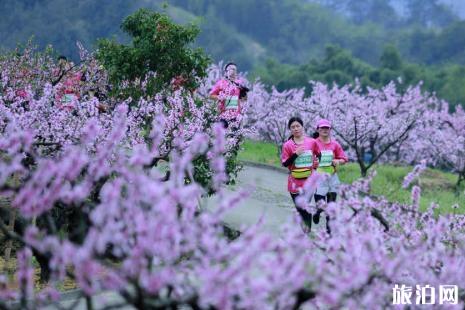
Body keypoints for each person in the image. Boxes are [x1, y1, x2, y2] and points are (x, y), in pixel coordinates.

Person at [281, 117, 321, 232]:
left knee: (305, 207)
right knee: (300, 209)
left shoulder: (312, 142)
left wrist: (317, 162)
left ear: (302, 127)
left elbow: (319, 154)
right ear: (290, 129)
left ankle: (306, 232)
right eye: (293, 127)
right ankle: (305, 229)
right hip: (294, 182)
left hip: (309, 182)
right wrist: (295, 154)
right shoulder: (287, 145)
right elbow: (285, 163)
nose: (296, 129)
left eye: (298, 126)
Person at [312, 119, 348, 234]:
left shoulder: (335, 144)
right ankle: (317, 212)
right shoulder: (313, 143)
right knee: (321, 204)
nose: (324, 130)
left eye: (327, 128)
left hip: (332, 178)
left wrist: (338, 161)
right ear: (318, 129)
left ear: (330, 130)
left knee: (331, 206)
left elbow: (344, 158)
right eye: (322, 128)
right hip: (319, 178)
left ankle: (329, 232)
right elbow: (306, 159)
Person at [209, 62, 249, 129]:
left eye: (234, 69)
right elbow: (211, 95)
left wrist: (244, 94)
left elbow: (244, 99)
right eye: (230, 69)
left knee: (235, 137)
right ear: (226, 71)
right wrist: (221, 97)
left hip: (236, 115)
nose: (232, 71)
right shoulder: (221, 83)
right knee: (223, 136)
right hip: (223, 115)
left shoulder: (239, 83)